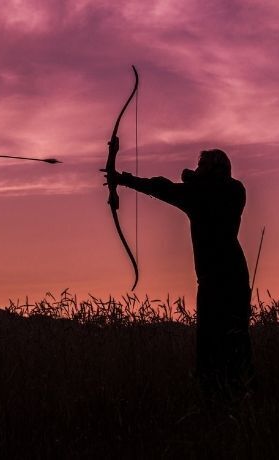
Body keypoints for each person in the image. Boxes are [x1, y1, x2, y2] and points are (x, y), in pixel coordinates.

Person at [107, 149, 253, 395]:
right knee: (216, 345)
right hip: (225, 280)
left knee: (230, 342)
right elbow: (161, 187)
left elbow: (180, 189)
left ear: (215, 170)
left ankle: (232, 395)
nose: (196, 169)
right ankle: (222, 397)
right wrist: (124, 179)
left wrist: (124, 180)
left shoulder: (228, 192)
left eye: (202, 165)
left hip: (224, 282)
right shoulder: (213, 191)